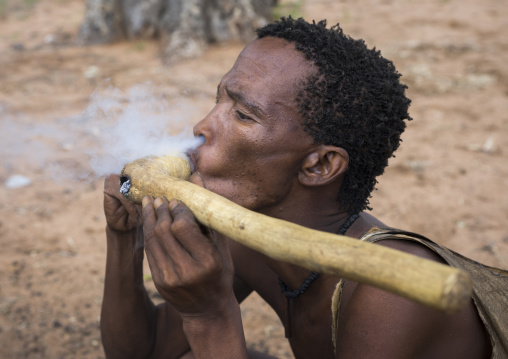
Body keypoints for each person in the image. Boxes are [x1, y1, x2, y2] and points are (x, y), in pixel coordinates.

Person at [101, 17, 504, 358]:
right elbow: (148, 349)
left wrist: (209, 316)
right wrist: (123, 237)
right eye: (219, 99)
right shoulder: (246, 235)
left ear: (320, 165)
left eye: (242, 115)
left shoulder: (389, 300)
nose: (202, 128)